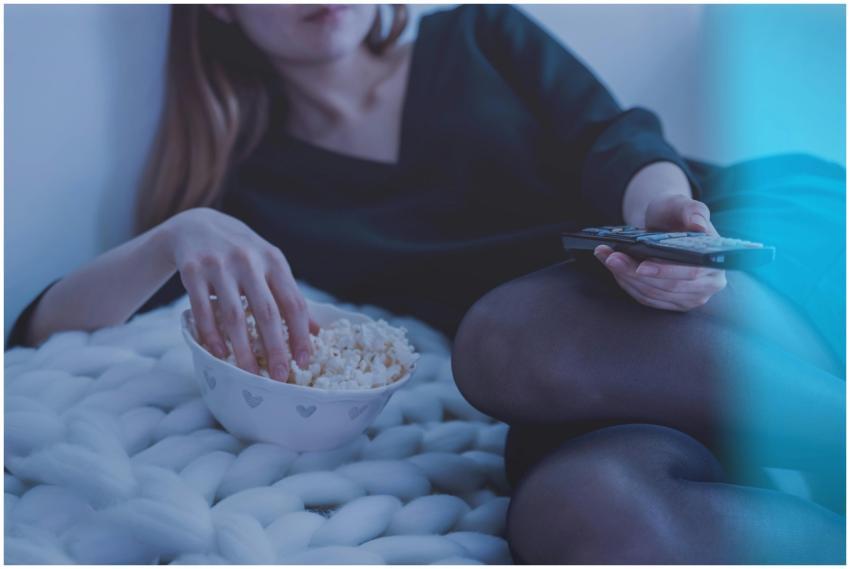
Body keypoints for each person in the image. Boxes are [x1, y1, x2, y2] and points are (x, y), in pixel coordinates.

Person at [7, 4, 844, 563]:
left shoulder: (477, 36)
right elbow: (39, 335)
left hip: (727, 252)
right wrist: (177, 233)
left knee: (506, 335)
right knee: (578, 513)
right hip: (572, 382)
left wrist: (665, 213)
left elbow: (615, 139)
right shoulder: (256, 194)